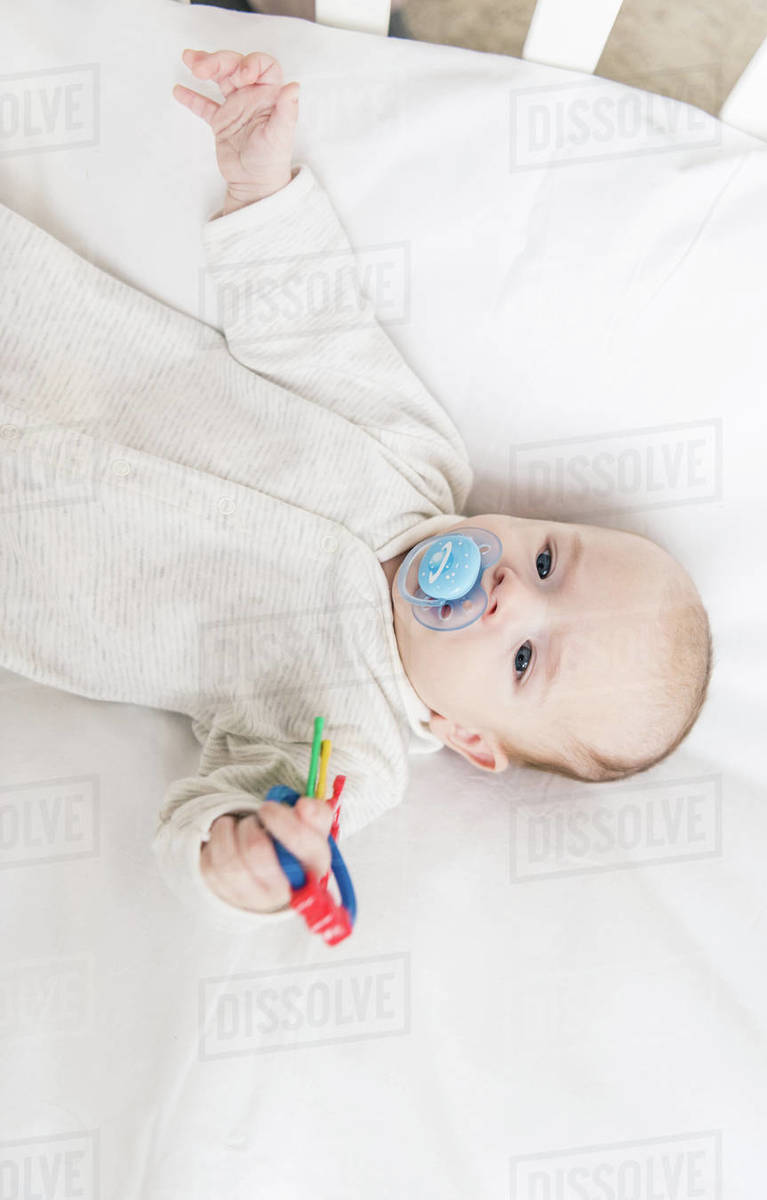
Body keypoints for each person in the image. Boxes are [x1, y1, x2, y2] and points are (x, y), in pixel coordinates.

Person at [0, 49, 712, 930]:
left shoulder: (348, 745)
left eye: (524, 660)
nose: (507, 596)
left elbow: (238, 819)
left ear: (469, 739)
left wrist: (251, 855)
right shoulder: (417, 458)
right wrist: (259, 179)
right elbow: (313, 324)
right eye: (544, 559)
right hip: (47, 333)